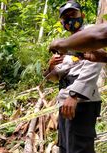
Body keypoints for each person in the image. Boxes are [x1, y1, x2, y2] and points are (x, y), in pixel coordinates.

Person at [45, 1, 102, 153]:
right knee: (66, 146)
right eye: (66, 17)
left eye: (73, 15)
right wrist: (51, 67)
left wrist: (74, 94)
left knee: (79, 148)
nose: (70, 19)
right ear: (62, 23)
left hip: (81, 102)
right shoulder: (69, 46)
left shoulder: (89, 33)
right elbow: (57, 76)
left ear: (82, 15)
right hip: (66, 101)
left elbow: (94, 65)